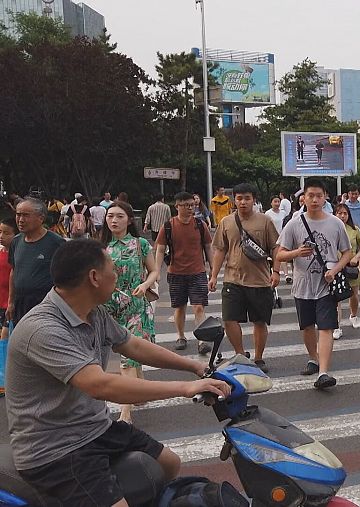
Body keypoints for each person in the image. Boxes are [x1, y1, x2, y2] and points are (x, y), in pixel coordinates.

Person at [5, 238, 230, 507]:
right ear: (94, 277)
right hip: (56, 448)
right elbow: (100, 385)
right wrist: (184, 388)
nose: (117, 274)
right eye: (113, 269)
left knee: (169, 464)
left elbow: (133, 345)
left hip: (95, 428)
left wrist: (194, 366)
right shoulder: (43, 329)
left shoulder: (92, 312)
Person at [276, 179, 351, 390]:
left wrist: (335, 270)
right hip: (302, 285)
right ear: (304, 198)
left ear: (325, 196)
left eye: (319, 195)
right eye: (311, 196)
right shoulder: (294, 223)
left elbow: (346, 252)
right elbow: (280, 254)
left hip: (326, 286)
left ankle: (324, 372)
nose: (315, 200)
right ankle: (313, 357)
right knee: (307, 327)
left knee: (326, 327)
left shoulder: (335, 223)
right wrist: (296, 253)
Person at [209, 183, 281, 373]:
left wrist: (276, 271)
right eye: (239, 198)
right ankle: (240, 354)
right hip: (233, 279)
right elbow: (220, 250)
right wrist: (214, 275)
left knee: (259, 321)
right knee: (229, 319)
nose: (243, 202)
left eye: (247, 198)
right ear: (234, 200)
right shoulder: (226, 222)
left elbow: (275, 247)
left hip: (260, 280)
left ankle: (258, 358)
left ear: (254, 200)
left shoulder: (265, 221)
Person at [101, 201, 160, 424]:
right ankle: (140, 388)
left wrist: (145, 285)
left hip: (135, 305)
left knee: (127, 359)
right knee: (130, 355)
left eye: (119, 216)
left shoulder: (140, 244)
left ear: (128, 220)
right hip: (108, 307)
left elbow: (154, 270)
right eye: (110, 216)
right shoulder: (102, 247)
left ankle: (125, 413)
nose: (114, 220)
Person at [155, 192, 214, 354]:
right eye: (186, 205)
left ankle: (202, 340)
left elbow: (208, 247)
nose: (190, 208)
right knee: (179, 307)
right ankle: (181, 336)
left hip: (197, 272)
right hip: (176, 273)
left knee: (199, 307)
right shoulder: (168, 226)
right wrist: (156, 272)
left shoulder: (200, 225)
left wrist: (212, 271)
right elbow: (160, 250)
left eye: (192, 205)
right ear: (177, 206)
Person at [7, 198, 66, 325]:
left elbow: (68, 276)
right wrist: (11, 302)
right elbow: (14, 271)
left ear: (41, 218)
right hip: (20, 305)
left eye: (26, 215)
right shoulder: (16, 242)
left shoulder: (56, 243)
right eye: (18, 214)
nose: (21, 220)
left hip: (46, 306)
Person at [333, 204, 360, 339]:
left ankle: (353, 315)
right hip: (335, 267)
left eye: (345, 213)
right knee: (336, 298)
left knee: (354, 295)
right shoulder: (330, 229)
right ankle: (336, 326)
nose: (342, 216)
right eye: (339, 213)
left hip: (350, 267)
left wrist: (357, 257)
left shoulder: (354, 229)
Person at [0, 218, 17, 345]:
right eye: (0, 232)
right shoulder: (1, 252)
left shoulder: (18, 254)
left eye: (6, 233)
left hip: (9, 303)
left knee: (5, 336)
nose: (1, 236)